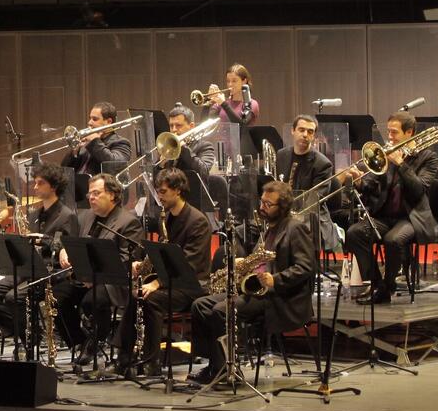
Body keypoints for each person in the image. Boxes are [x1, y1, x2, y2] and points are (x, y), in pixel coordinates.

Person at [188, 181, 315, 385]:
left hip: (279, 297)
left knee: (222, 310)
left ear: (282, 207)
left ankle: (228, 369)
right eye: (262, 202)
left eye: (268, 204)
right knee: (200, 305)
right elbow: (260, 260)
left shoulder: (295, 228)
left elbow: (306, 267)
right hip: (256, 290)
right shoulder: (269, 229)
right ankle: (214, 364)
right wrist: (244, 264)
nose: (262, 208)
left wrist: (276, 280)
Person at [343, 112, 438, 304]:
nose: (389, 137)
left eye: (394, 133)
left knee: (393, 240)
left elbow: (419, 189)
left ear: (409, 132)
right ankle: (377, 284)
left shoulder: (428, 157)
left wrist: (401, 163)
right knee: (354, 233)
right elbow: (372, 184)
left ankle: (387, 287)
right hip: (384, 216)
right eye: (388, 132)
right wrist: (358, 182)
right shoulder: (387, 156)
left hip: (410, 217)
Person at [50, 173, 142, 366]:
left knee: (91, 300)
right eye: (89, 193)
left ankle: (98, 337)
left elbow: (126, 261)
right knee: (54, 299)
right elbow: (67, 240)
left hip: (111, 282)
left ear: (113, 195)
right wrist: (64, 250)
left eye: (96, 193)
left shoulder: (128, 222)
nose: (91, 197)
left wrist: (97, 278)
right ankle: (80, 341)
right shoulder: (84, 216)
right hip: (82, 277)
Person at [0, 163, 77, 340]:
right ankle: (20, 330)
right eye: (35, 183)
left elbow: (66, 248)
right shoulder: (33, 214)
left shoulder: (67, 215)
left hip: (52, 272)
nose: (35, 187)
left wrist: (43, 239)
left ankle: (30, 337)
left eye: (40, 183)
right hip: (29, 267)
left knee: (15, 297)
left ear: (54, 186)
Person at [135, 168, 212, 374]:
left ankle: (152, 362)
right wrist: (143, 265)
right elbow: (163, 252)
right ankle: (127, 355)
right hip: (174, 283)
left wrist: (157, 282)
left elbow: (188, 265)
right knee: (136, 294)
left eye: (163, 191)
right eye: (158, 192)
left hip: (193, 286)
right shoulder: (167, 218)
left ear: (178, 190)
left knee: (152, 299)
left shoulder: (197, 221)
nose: (160, 196)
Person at [139, 106, 217, 230]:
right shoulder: (169, 147)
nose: (174, 130)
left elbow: (203, 170)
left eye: (178, 126)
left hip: (194, 205)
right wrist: (160, 166)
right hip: (169, 205)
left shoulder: (205, 146)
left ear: (191, 126)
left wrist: (185, 149)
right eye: (171, 126)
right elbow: (154, 181)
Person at [277, 114, 341, 251]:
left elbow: (312, 202)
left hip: (311, 217)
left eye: (310, 132)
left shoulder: (323, 164)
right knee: (247, 230)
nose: (305, 135)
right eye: (301, 130)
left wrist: (289, 216)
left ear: (314, 136)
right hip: (284, 212)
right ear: (293, 131)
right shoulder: (281, 155)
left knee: (292, 232)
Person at [61, 102, 132, 176]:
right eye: (90, 118)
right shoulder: (87, 142)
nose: (89, 122)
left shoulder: (121, 142)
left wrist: (95, 141)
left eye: (95, 119)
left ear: (109, 122)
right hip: (79, 185)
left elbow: (115, 167)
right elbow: (64, 171)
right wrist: (75, 152)